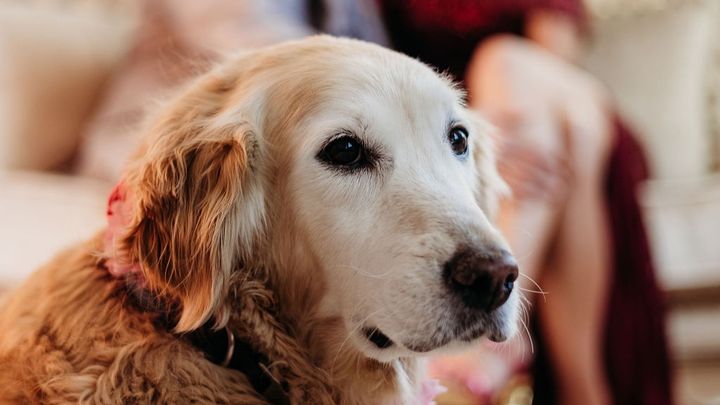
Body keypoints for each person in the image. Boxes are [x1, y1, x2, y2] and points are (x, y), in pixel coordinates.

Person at [76, 1, 672, 403]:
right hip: (436, 124)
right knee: (563, 123)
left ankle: (523, 361)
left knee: (541, 94)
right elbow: (298, 73)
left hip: (519, 112)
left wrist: (467, 130)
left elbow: (551, 52)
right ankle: (569, 379)